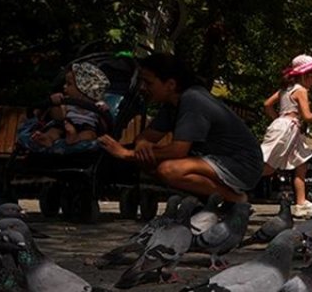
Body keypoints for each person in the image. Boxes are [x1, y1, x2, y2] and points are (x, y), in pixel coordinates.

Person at [98, 53, 262, 203]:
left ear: (170, 84)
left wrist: (127, 154)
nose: (143, 88)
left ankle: (236, 199)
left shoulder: (193, 100)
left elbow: (178, 151)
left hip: (241, 165)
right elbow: (146, 137)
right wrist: (141, 147)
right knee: (149, 162)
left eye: (149, 83)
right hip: (213, 160)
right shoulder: (171, 105)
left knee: (169, 170)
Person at [260, 54, 312, 218]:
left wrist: (277, 120)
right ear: (304, 75)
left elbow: (267, 104)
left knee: (301, 163)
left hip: (288, 128)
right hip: (288, 129)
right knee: (268, 167)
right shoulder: (301, 90)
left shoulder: (284, 90)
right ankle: (234, 186)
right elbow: (307, 115)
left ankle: (301, 203)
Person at [30, 62, 111, 148]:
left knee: (90, 135)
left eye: (69, 84)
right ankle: (47, 139)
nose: (64, 86)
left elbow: (104, 127)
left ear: (83, 89)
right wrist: (56, 104)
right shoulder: (67, 101)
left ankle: (75, 138)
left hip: (86, 127)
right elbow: (59, 117)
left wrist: (104, 111)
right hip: (67, 124)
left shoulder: (98, 105)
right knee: (54, 130)